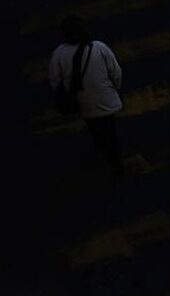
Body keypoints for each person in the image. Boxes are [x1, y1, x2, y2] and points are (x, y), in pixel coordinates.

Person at [48, 15, 124, 177]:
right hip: (105, 100)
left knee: (94, 127)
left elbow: (55, 81)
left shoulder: (59, 54)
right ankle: (116, 164)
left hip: (83, 103)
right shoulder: (99, 48)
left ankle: (100, 148)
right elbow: (116, 72)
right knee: (110, 130)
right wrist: (115, 88)